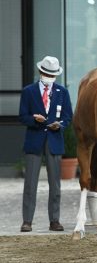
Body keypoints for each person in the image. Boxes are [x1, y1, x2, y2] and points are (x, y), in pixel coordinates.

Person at [19, 56, 73, 232]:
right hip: (34, 141)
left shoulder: (62, 92)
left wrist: (61, 125)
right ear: (41, 72)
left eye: (53, 74)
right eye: (47, 73)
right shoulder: (28, 91)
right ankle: (27, 221)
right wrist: (35, 120)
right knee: (30, 184)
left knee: (55, 184)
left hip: (54, 141)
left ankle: (54, 220)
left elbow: (68, 116)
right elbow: (22, 116)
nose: (50, 77)